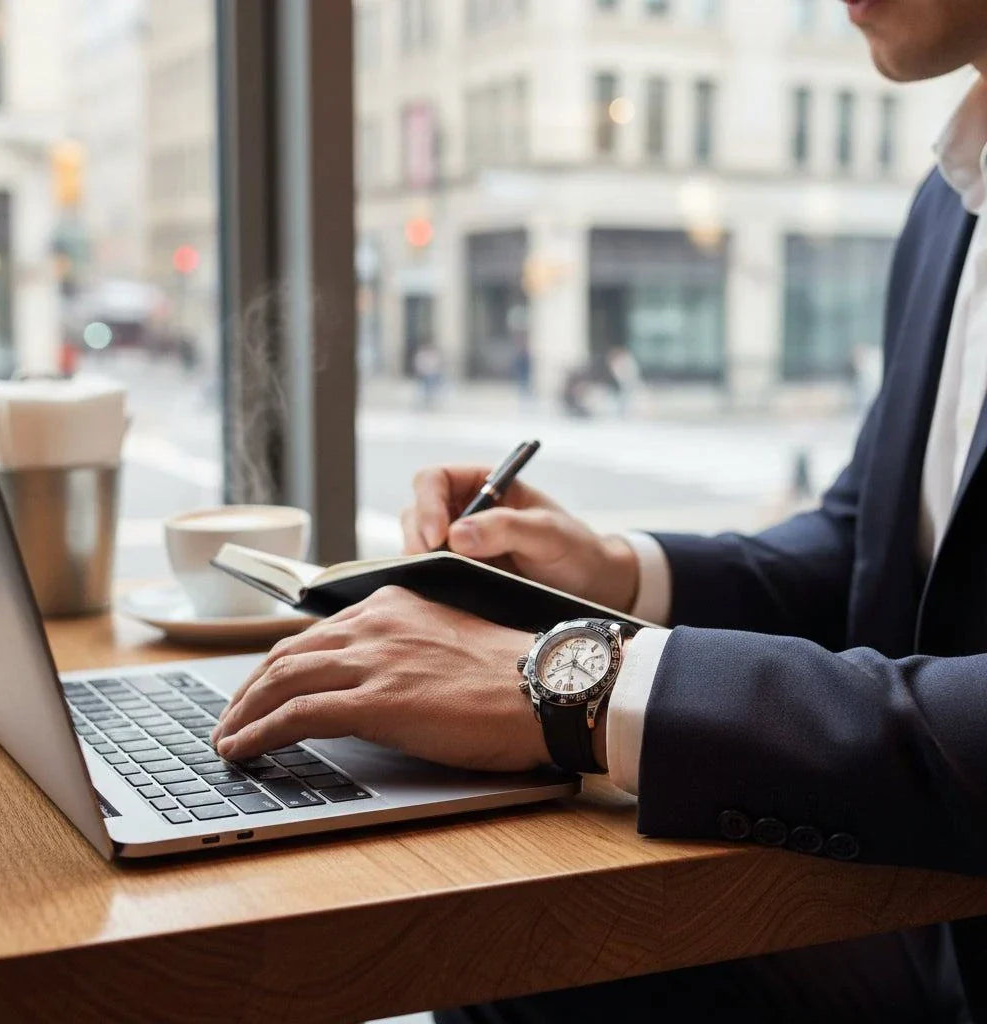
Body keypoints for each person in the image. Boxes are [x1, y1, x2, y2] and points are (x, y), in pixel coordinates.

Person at [211, 1, 987, 1019]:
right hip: (913, 891)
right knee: (491, 932)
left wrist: (578, 683)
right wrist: (613, 573)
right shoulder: (950, 195)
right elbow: (866, 548)